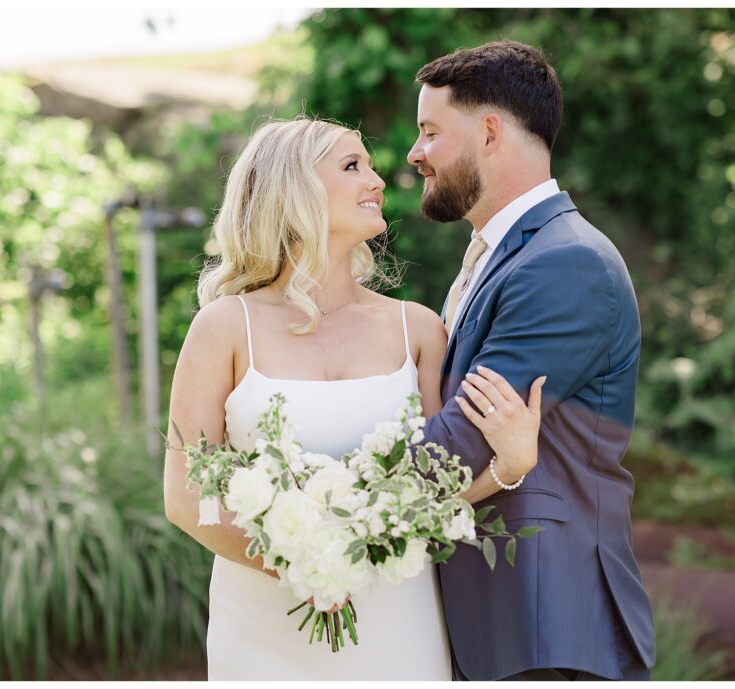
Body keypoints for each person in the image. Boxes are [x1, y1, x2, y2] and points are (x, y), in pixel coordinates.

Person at [161, 117, 543, 680]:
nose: (378, 180)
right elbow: (187, 502)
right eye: (351, 166)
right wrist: (308, 566)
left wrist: (509, 467)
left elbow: (436, 493)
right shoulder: (223, 328)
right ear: (294, 190)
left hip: (398, 624)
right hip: (262, 631)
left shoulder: (418, 330)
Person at [408, 40, 657, 681]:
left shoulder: (565, 264)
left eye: (430, 132)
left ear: (489, 132)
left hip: (544, 625)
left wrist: (310, 494)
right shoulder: (504, 254)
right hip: (502, 620)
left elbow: (463, 439)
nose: (414, 155)